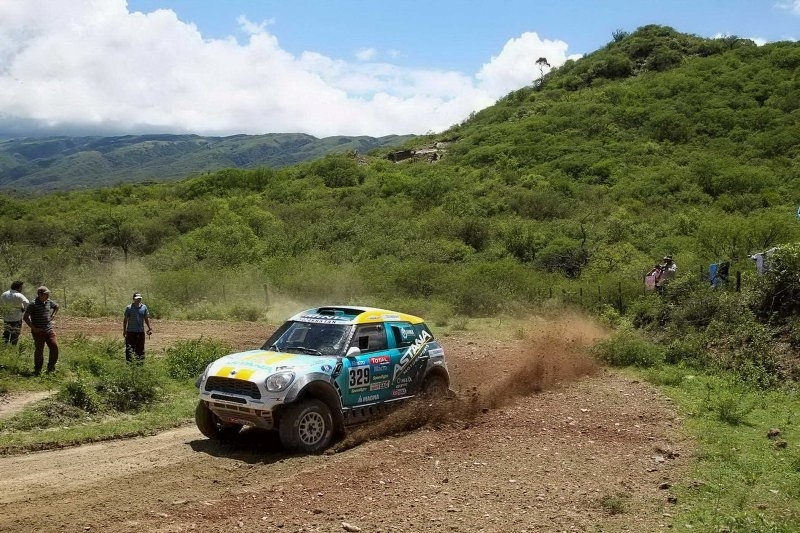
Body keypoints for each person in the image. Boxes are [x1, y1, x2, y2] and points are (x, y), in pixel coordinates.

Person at [22, 286, 59, 375]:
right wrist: (34, 328)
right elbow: (25, 317)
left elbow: (56, 306)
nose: (48, 296)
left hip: (49, 329)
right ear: (39, 294)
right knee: (39, 350)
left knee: (54, 347)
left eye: (48, 294)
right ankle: (37, 370)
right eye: (46, 294)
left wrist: (53, 315)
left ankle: (51, 368)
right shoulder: (33, 304)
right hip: (38, 331)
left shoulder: (48, 302)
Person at [123, 292, 152, 362]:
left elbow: (146, 318)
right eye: (137, 299)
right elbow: (125, 320)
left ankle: (140, 363)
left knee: (140, 349)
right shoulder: (129, 308)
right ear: (133, 299)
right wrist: (124, 331)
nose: (139, 300)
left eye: (139, 298)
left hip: (140, 331)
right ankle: (129, 364)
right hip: (131, 332)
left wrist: (149, 327)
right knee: (130, 348)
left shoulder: (144, 307)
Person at [1, 281, 30, 345]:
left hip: (6, 318)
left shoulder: (4, 294)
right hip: (17, 318)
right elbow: (27, 303)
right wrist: (24, 309)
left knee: (6, 334)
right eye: (21, 287)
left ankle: (4, 347)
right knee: (15, 335)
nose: (21, 289)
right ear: (18, 287)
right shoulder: (19, 295)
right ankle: (12, 348)